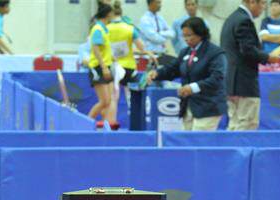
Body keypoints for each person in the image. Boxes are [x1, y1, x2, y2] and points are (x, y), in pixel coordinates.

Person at [146, 17, 226, 131]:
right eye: (184, 35)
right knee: (186, 140)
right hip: (188, 106)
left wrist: (192, 88)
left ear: (200, 34)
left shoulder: (215, 53)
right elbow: (172, 69)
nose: (186, 39)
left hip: (208, 106)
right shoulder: (185, 52)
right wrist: (157, 73)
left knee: (199, 140)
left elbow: (217, 78)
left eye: (189, 35)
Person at [220, 0, 279, 131]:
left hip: (231, 80)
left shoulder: (231, 18)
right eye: (262, 3)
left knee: (234, 124)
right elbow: (247, 50)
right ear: (252, 2)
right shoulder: (244, 20)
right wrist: (268, 57)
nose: (263, 8)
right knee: (247, 124)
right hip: (244, 82)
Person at [107, 1, 156, 129]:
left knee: (113, 98)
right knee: (132, 97)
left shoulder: (106, 28)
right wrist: (148, 53)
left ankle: (111, 126)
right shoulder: (130, 28)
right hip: (128, 67)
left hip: (112, 67)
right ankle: (136, 125)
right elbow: (141, 47)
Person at [86, 3, 115, 129]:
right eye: (112, 13)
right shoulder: (98, 29)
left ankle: (104, 126)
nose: (113, 15)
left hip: (106, 66)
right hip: (98, 68)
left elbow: (104, 49)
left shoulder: (105, 29)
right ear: (108, 14)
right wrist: (103, 67)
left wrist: (112, 58)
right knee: (104, 101)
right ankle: (86, 123)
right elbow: (96, 49)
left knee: (108, 102)